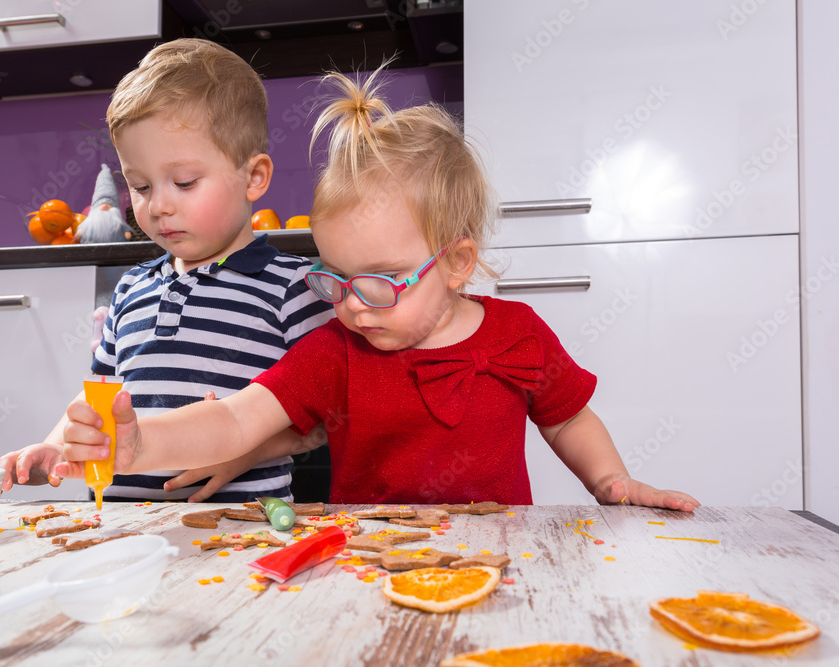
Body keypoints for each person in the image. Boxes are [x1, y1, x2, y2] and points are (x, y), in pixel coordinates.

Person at [56, 64, 700, 511]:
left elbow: (567, 419)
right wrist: (143, 443)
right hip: (369, 559)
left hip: (502, 556)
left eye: (385, 281)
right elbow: (235, 416)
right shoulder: (337, 350)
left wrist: (611, 480)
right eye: (336, 280)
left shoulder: (518, 335)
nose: (355, 305)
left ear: (456, 263)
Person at [0, 38, 333, 503]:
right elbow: (100, 401)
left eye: (185, 182)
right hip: (125, 531)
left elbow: (329, 418)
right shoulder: (132, 288)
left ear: (254, 177)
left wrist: (245, 450)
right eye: (141, 186)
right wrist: (54, 446)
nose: (159, 205)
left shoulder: (292, 289)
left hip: (238, 533)